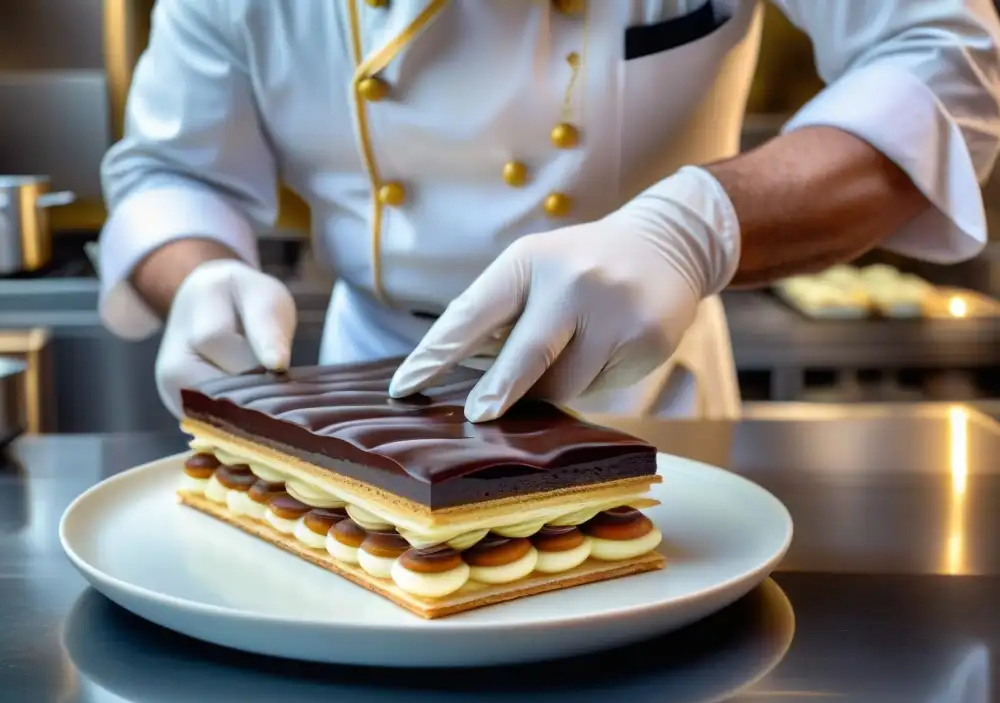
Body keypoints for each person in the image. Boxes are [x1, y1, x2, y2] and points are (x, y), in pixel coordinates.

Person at [98, 0, 1000, 422]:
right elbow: (173, 171)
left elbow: (944, 58)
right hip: (369, 392)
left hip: (644, 394)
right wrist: (198, 275)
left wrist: (695, 229)